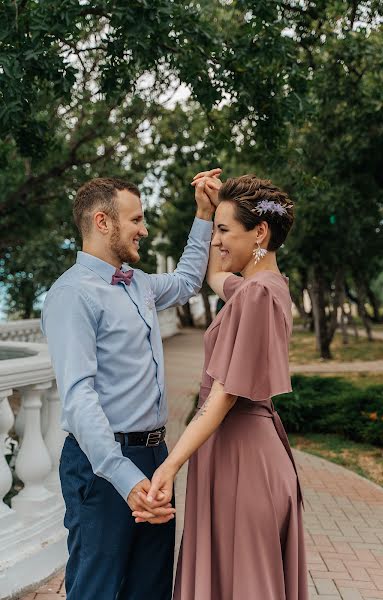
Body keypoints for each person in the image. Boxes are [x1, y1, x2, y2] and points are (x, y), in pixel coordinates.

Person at [41, 173, 220, 600]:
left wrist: (204, 215)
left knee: (150, 586)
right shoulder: (72, 296)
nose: (144, 229)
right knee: (97, 589)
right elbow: (80, 396)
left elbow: (186, 281)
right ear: (103, 222)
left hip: (155, 456)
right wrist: (125, 477)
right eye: (136, 219)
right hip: (102, 465)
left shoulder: (137, 283)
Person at [136, 171, 309, 600]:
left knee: (243, 581)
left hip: (243, 460)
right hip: (240, 453)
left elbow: (220, 399)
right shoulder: (266, 287)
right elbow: (215, 277)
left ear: (260, 233)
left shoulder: (254, 296)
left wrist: (170, 465)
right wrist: (206, 211)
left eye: (225, 231)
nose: (217, 242)